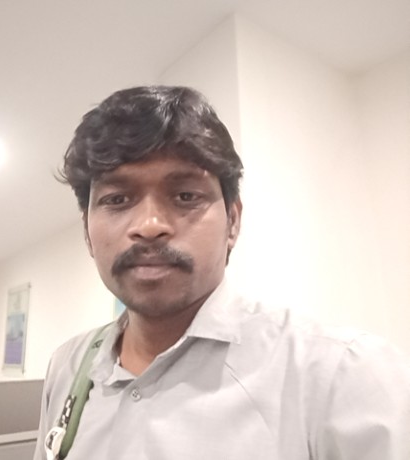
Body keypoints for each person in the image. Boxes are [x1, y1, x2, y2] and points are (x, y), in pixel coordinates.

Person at [34, 85, 410, 460]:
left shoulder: (340, 376)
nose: (149, 225)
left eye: (186, 196)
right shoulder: (68, 366)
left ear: (233, 221)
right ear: (87, 232)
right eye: (117, 199)